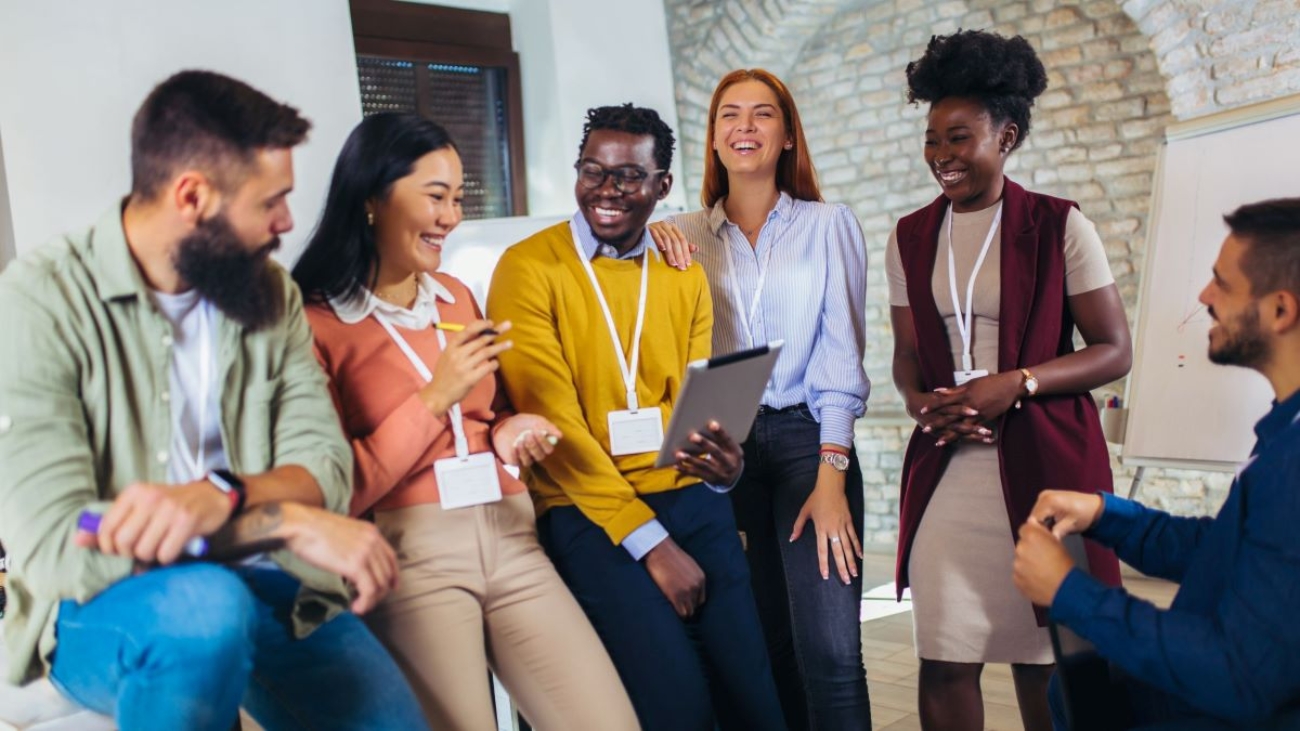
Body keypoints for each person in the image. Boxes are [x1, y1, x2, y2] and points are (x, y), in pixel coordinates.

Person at [0, 70, 429, 731]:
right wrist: (280, 519)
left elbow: (325, 465)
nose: (288, 221)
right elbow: (61, 535)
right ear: (192, 195)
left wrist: (219, 493)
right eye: (270, 202)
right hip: (102, 597)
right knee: (205, 607)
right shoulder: (39, 300)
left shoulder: (271, 293)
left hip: (273, 585)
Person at [291, 112, 638, 731]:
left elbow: (489, 413)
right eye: (435, 196)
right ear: (372, 198)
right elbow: (336, 489)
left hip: (512, 535)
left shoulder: (454, 295)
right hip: (412, 556)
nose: (451, 216)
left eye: (457, 197)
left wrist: (512, 431)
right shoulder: (315, 323)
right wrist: (433, 396)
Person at [486, 104, 787, 731]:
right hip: (590, 513)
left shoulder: (683, 273)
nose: (607, 191)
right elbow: (553, 427)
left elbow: (695, 410)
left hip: (690, 501)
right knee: (677, 706)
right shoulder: (528, 268)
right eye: (593, 171)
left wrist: (722, 469)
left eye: (628, 178)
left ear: (662, 186)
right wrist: (652, 545)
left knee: (755, 700)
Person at [886, 30, 1132, 731]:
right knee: (943, 654)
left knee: (1051, 656)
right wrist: (916, 401)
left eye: (958, 138)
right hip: (948, 464)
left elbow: (1115, 349)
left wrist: (1015, 383)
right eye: (932, 139)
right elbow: (907, 351)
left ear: (1008, 134)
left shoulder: (1058, 225)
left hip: (1048, 461)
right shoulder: (909, 236)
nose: (941, 156)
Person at [1015, 197, 1300, 730]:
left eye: (1223, 284)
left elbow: (1239, 676)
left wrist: (1069, 592)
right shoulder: (1286, 427)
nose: (1203, 297)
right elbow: (1225, 550)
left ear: (1281, 311)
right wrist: (1106, 514)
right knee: (1074, 687)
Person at [648, 68, 871, 730]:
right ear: (713, 139)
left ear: (787, 135)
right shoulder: (677, 235)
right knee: (759, 643)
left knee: (830, 648)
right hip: (724, 446)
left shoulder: (830, 225)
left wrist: (832, 474)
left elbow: (842, 355)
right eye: (729, 115)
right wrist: (647, 241)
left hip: (810, 440)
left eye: (762, 114)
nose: (745, 126)